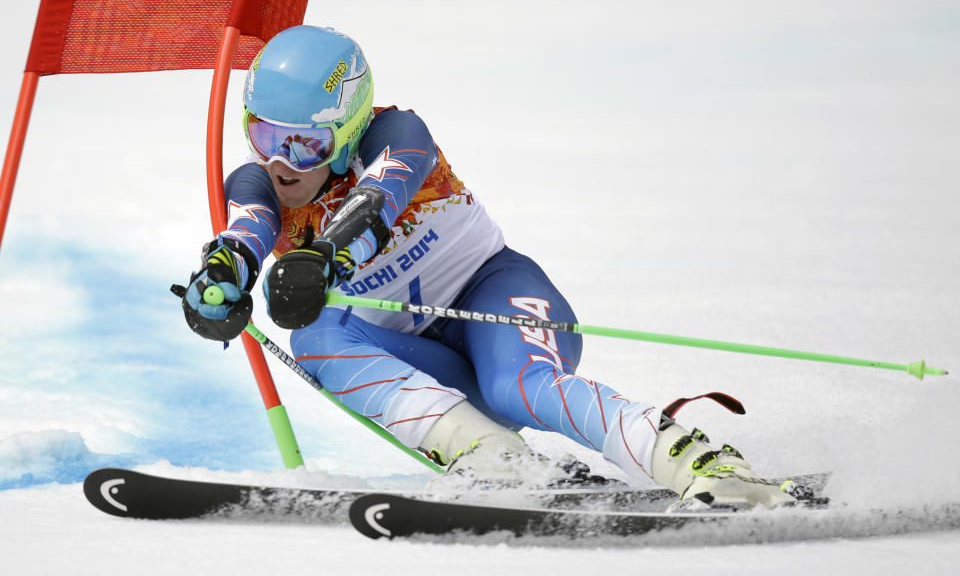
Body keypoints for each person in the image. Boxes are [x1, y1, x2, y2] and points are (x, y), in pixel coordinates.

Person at [179, 25, 796, 509]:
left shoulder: (396, 132)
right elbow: (245, 233)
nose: (283, 162)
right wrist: (220, 282)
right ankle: (495, 459)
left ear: (345, 131)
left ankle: (699, 465)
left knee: (517, 386)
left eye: (307, 143)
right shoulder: (258, 184)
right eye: (264, 135)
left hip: (497, 298)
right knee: (313, 337)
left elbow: (377, 200)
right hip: (431, 367)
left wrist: (327, 256)